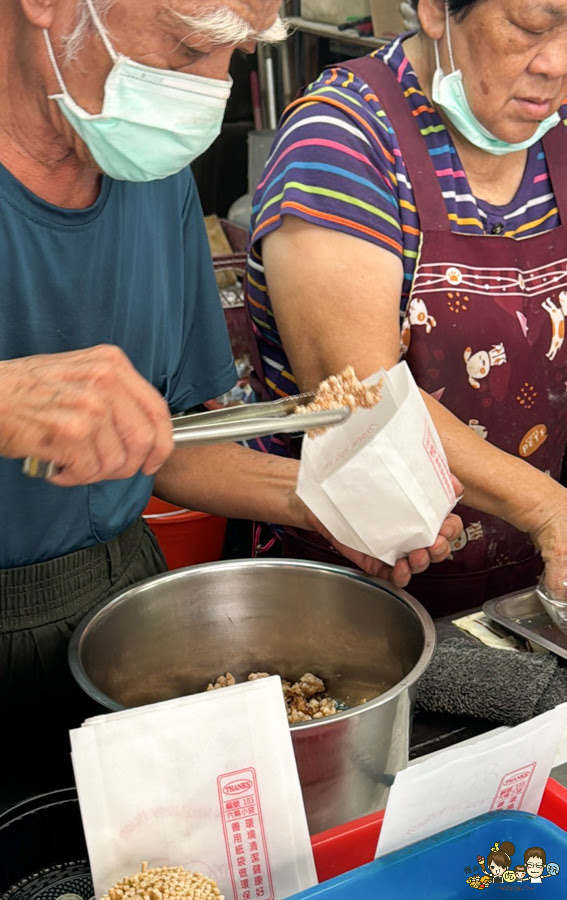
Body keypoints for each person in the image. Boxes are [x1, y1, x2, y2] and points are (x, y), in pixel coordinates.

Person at [0, 0, 462, 808]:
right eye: (188, 47)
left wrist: (327, 505)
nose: (207, 95)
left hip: (118, 609)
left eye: (236, 55)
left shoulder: (150, 173)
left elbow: (174, 441)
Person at [245, 0, 567, 617]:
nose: (554, 64)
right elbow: (363, 398)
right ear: (435, 10)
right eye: (528, 28)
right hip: (363, 590)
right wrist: (546, 508)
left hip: (529, 585)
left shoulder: (553, 129)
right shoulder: (341, 139)